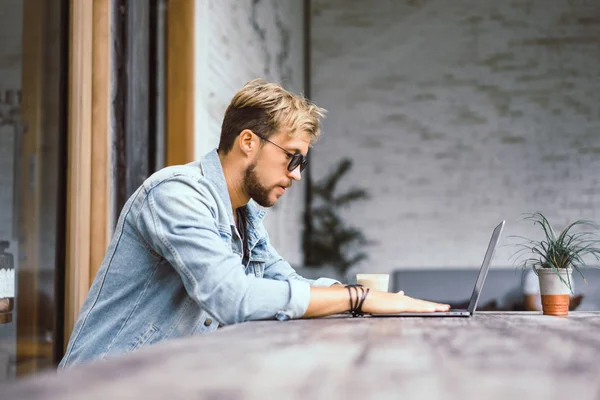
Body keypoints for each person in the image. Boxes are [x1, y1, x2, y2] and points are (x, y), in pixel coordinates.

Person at [59, 79, 449, 368]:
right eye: (292, 158)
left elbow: (287, 285)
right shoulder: (174, 195)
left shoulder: (244, 217)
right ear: (249, 141)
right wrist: (357, 299)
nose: (296, 174)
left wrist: (374, 300)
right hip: (101, 385)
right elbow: (233, 296)